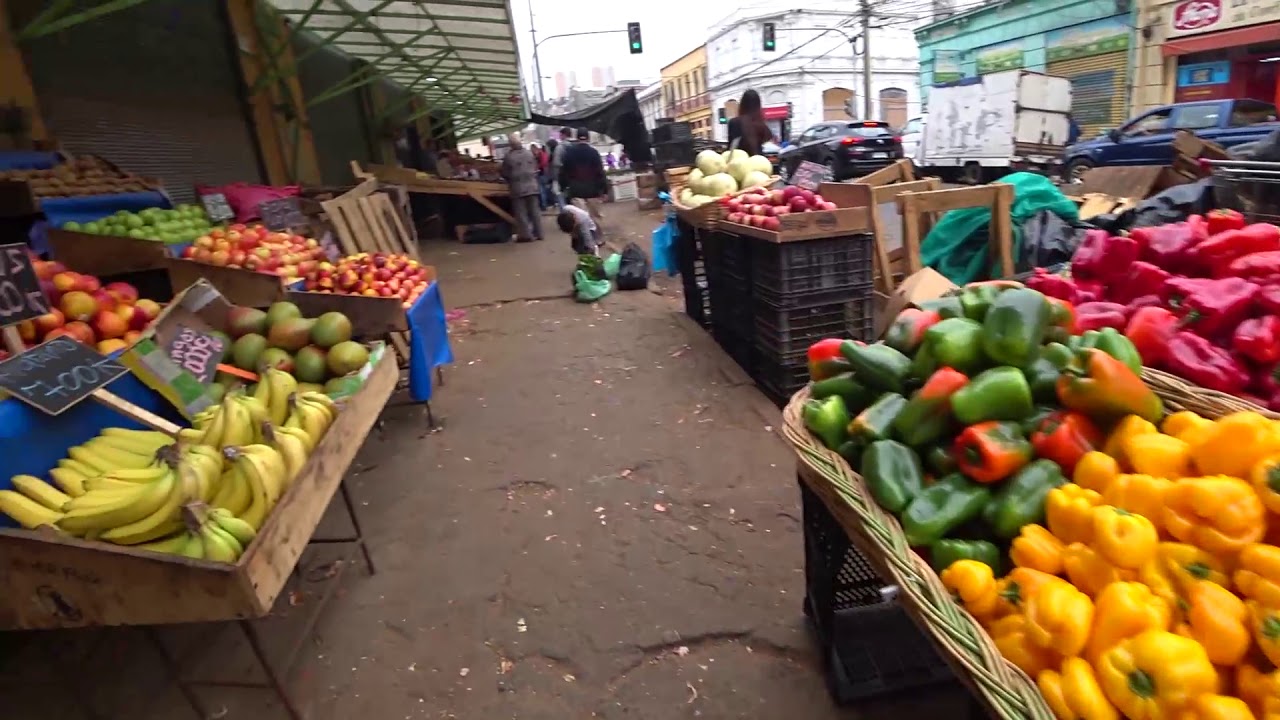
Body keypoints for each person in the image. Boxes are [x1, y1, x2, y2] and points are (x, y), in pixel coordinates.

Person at [558, 128, 607, 227]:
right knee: (594, 218)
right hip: (593, 190)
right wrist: (604, 190)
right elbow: (600, 172)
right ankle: (597, 238)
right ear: (588, 138)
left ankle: (584, 238)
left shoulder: (569, 153)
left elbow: (563, 172)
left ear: (577, 138)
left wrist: (564, 187)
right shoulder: (594, 153)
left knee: (580, 219)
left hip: (576, 190)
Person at [499, 133, 543, 242]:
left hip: (517, 187)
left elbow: (504, 173)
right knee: (535, 212)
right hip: (532, 186)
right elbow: (535, 168)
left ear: (510, 144)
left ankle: (527, 235)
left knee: (521, 213)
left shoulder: (509, 157)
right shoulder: (529, 154)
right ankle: (539, 233)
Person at [726, 89, 772, 156]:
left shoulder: (734, 122)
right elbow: (768, 137)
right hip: (759, 161)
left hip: (740, 161)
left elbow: (731, 146)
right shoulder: (760, 123)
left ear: (742, 104)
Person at [549, 127, 572, 210]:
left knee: (560, 196)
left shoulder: (559, 148)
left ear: (564, 135)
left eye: (560, 135)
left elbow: (556, 163)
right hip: (573, 176)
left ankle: (565, 215)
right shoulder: (574, 146)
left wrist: (555, 179)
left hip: (561, 176)